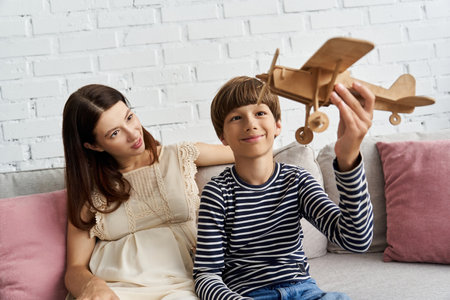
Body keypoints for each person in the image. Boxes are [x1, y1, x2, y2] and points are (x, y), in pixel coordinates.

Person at [193, 76, 375, 299]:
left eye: (260, 113)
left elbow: (356, 240)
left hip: (304, 291)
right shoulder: (217, 193)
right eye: (236, 117)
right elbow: (206, 275)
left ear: (278, 125)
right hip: (250, 295)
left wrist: (348, 160)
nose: (250, 124)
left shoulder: (297, 180)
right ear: (222, 136)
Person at [62, 84, 234, 300]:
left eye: (129, 117)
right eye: (114, 133)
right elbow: (75, 268)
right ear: (94, 146)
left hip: (181, 287)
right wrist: (92, 285)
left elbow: (249, 153)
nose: (132, 133)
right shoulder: (89, 192)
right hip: (115, 290)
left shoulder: (179, 156)